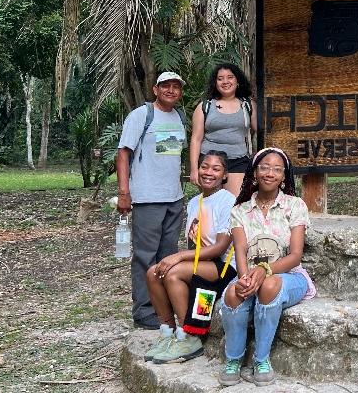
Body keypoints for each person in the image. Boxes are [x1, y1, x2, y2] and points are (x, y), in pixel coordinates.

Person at [218, 147, 316, 387]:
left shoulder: (295, 206)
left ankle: (261, 360)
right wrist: (244, 279)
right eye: (264, 167)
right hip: (249, 273)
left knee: (269, 285)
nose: (269, 173)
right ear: (254, 172)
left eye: (276, 169)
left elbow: (295, 255)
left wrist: (265, 270)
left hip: (288, 276)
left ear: (284, 176)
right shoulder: (240, 211)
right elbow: (240, 250)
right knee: (232, 293)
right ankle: (234, 359)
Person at [143, 150, 237, 363]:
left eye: (216, 168)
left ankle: (190, 336)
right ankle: (168, 333)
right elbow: (194, 242)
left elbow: (220, 246)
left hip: (223, 266)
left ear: (224, 175)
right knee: (153, 272)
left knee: (172, 273)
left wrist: (178, 257)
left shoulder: (228, 201)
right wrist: (182, 258)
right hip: (201, 261)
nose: (208, 172)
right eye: (204, 166)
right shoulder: (195, 202)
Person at [116, 71, 188, 329]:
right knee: (145, 257)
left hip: (174, 197)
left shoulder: (180, 117)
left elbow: (171, 155)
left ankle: (164, 309)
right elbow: (123, 154)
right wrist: (125, 192)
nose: (171, 91)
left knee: (168, 256)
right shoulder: (141, 115)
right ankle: (144, 311)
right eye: (165, 86)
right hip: (147, 198)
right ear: (155, 89)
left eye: (176, 87)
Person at [189, 63, 256, 199]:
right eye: (220, 78)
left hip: (238, 160)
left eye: (230, 77)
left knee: (235, 205)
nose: (225, 81)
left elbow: (261, 131)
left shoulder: (248, 105)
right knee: (211, 205)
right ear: (215, 83)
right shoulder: (205, 106)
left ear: (237, 81)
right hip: (210, 162)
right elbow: (196, 139)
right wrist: (194, 170)